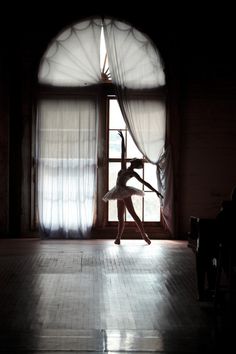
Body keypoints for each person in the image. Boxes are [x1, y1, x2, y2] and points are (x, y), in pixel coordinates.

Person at [103, 131, 163, 245]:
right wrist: (122, 140)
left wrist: (156, 191)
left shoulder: (133, 173)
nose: (133, 161)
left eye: (135, 162)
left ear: (135, 165)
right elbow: (123, 153)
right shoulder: (124, 167)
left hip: (124, 192)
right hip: (117, 190)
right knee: (120, 217)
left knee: (133, 214)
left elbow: (145, 183)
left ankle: (144, 236)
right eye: (133, 161)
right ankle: (118, 238)